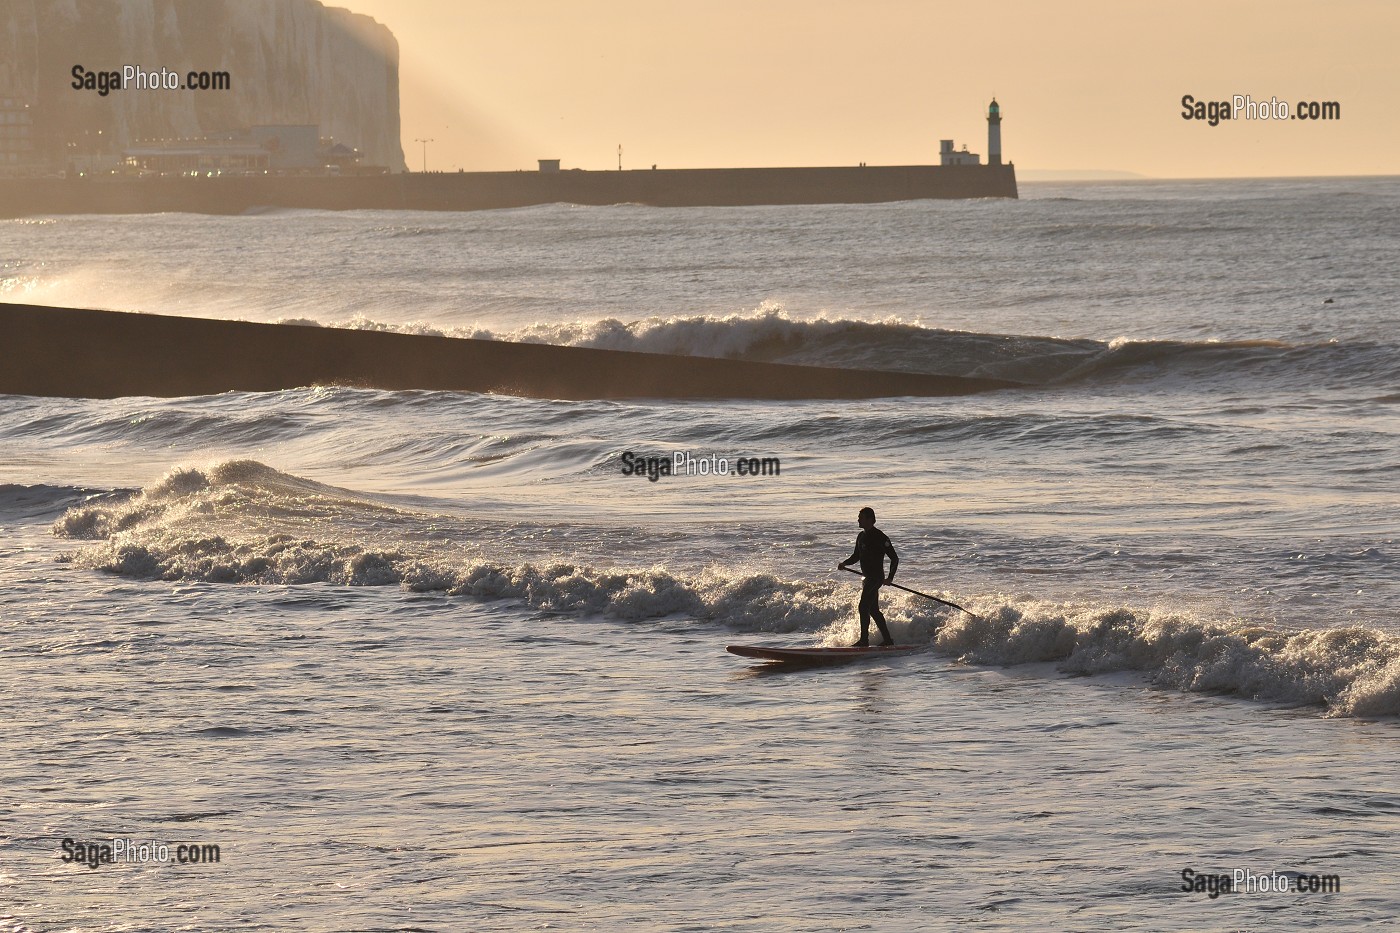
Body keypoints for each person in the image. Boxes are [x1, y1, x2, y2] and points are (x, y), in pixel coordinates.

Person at [837, 506, 898, 647]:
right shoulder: (861, 536)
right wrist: (844, 563)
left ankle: (864, 640)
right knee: (873, 610)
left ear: (870, 519)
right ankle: (888, 640)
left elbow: (894, 558)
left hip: (876, 578)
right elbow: (856, 556)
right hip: (866, 579)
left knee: (863, 606)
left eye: (861, 517)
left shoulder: (880, 537)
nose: (858, 519)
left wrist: (890, 578)